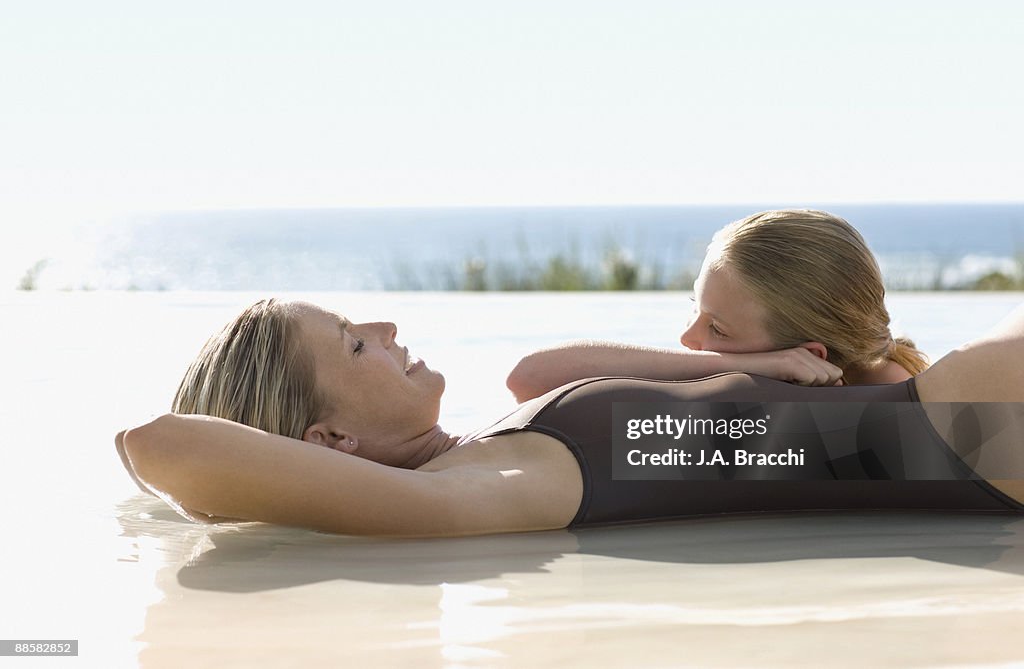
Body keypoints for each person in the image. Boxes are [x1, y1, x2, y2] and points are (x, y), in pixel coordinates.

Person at [116, 299, 1024, 538]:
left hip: (972, 419)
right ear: (329, 442)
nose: (387, 329)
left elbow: (541, 368)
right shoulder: (495, 485)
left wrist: (744, 363)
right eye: (355, 346)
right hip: (975, 434)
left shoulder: (508, 434)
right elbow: (160, 444)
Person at [506, 210, 930, 402]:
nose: (687, 338)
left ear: (812, 354)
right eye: (695, 308)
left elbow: (529, 382)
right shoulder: (771, 370)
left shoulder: (890, 408)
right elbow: (526, 378)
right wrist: (761, 364)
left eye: (718, 329)